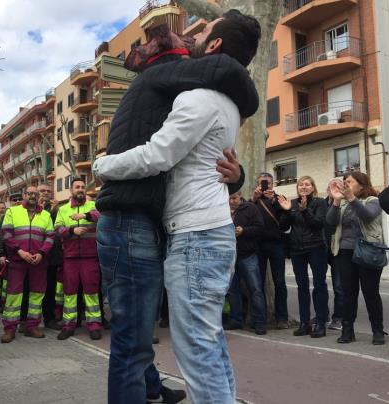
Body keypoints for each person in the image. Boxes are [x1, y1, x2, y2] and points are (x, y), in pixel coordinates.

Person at [94, 11, 261, 403]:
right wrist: (238, 177)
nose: (193, 37)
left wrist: (102, 165)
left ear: (215, 46)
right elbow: (207, 157)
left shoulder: (197, 96)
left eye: (202, 31)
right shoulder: (229, 104)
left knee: (195, 348)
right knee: (207, 340)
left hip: (196, 233)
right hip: (203, 230)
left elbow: (158, 155)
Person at [327, 172, 386, 344]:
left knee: (371, 293)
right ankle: (347, 330)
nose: (345, 184)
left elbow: (367, 216)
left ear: (361, 184)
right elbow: (330, 222)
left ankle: (377, 330)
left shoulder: (373, 200)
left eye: (350, 181)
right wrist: (336, 200)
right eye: (344, 181)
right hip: (345, 252)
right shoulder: (343, 203)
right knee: (348, 294)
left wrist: (352, 198)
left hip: (368, 252)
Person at [0, 186, 54, 342]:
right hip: (18, 259)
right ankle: (9, 329)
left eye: (35, 194)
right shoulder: (12, 211)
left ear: (38, 197)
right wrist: (19, 251)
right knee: (13, 295)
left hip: (38, 261)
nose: (32, 196)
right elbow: (7, 234)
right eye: (29, 193)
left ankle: (32, 326)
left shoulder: (46, 214)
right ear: (24, 195)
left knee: (37, 295)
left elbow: (50, 237)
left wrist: (41, 253)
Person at [278, 176, 329, 338]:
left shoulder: (320, 203)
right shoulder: (291, 203)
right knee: (302, 287)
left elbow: (318, 224)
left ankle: (320, 323)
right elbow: (283, 226)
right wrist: (286, 211)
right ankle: (304, 323)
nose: (304, 187)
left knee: (319, 285)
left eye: (307, 184)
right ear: (297, 188)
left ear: (313, 188)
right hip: (297, 250)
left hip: (316, 248)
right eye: (301, 185)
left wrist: (305, 210)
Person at [54, 178, 102, 341]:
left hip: (90, 256)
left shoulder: (93, 205)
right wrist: (73, 230)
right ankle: (68, 325)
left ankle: (94, 325)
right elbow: (57, 229)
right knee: (70, 292)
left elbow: (100, 216)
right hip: (71, 257)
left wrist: (85, 215)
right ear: (71, 190)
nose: (80, 189)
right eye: (77, 187)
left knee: (91, 292)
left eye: (82, 187)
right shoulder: (63, 209)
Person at [251, 172, 289, 329]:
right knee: (257, 284)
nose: (265, 186)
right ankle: (260, 319)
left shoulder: (280, 199)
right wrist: (254, 199)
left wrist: (274, 201)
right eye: (262, 183)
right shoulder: (253, 200)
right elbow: (246, 217)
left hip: (276, 245)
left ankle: (282, 318)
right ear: (258, 184)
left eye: (268, 183)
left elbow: (286, 223)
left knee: (279, 282)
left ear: (273, 184)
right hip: (258, 246)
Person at [226, 191, 267, 335]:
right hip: (229, 256)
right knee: (232, 290)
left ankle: (260, 322)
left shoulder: (250, 208)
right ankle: (236, 319)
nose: (231, 201)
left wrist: (244, 231)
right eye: (229, 198)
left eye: (234, 198)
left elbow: (260, 228)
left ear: (240, 195)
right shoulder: (221, 208)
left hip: (247, 254)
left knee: (255, 289)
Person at [38, 182, 63, 330]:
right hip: (35, 254)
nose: (45, 193)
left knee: (50, 289)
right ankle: (27, 321)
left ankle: (49, 319)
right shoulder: (31, 208)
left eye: (48, 191)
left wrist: (54, 210)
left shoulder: (58, 209)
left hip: (52, 256)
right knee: (33, 289)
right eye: (42, 190)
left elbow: (57, 229)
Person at [324, 179, 345, 331]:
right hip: (321, 249)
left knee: (339, 287)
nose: (334, 189)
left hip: (338, 250)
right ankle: (322, 315)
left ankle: (338, 318)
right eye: (332, 186)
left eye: (338, 186)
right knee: (320, 284)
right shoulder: (321, 204)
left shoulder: (345, 204)